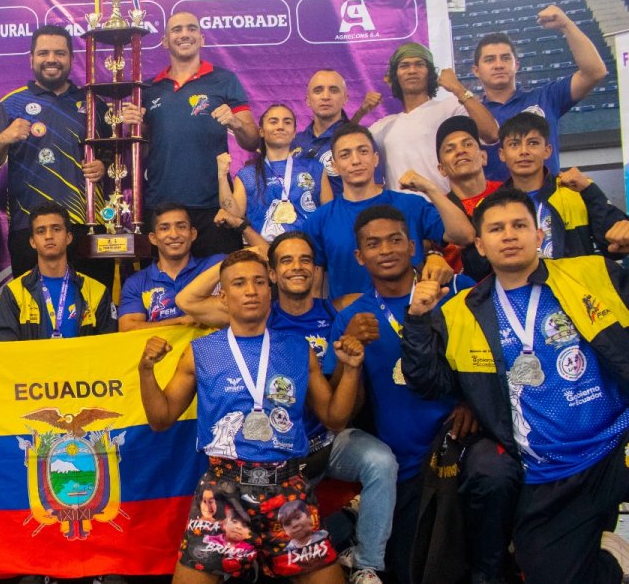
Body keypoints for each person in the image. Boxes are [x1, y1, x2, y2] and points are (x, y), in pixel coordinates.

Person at [402, 188, 629, 584]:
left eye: (519, 225)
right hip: (549, 469)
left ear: (538, 235)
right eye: (496, 228)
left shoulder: (594, 273)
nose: (509, 235)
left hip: (617, 444)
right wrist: (418, 320)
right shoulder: (457, 312)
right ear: (480, 244)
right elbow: (429, 384)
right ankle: (610, 557)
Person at [176, 232, 397, 584]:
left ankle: (366, 564)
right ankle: (342, 523)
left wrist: (353, 356)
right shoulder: (257, 312)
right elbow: (187, 298)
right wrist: (244, 257)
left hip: (317, 449)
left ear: (316, 270)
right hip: (249, 466)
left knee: (380, 460)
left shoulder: (338, 310)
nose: (297, 267)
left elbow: (339, 413)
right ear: (274, 275)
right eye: (286, 261)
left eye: (306, 259)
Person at [138, 249, 365, 583]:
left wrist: (350, 369)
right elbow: (161, 420)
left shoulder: (298, 348)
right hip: (222, 491)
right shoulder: (200, 351)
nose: (251, 290)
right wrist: (146, 370)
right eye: (240, 283)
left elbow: (335, 418)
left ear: (270, 290)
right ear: (224, 297)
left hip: (288, 491)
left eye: (259, 282)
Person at [322, 205, 476, 584]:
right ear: (359, 256)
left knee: (469, 565)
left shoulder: (456, 291)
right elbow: (346, 409)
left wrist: (473, 401)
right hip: (404, 467)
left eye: (394, 240)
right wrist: (351, 351)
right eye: (373, 244)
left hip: (462, 451)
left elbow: (490, 358)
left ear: (412, 247)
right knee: (410, 571)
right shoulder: (352, 317)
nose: (385, 250)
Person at [120, 11, 255, 257]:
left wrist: (235, 122)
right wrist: (133, 128)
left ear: (201, 38)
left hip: (214, 206)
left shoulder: (224, 80)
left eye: (191, 29)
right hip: (162, 204)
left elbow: (252, 141)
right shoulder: (148, 89)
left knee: (220, 284)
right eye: (177, 30)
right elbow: (141, 152)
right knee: (167, 288)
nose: (184, 34)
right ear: (165, 41)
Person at [0, 24, 108, 275]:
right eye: (43, 53)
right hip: (30, 227)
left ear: (71, 58)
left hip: (86, 223)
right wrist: (4, 137)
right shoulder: (11, 103)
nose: (51, 59)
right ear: (31, 59)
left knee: (91, 308)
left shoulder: (94, 103)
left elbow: (115, 158)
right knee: (33, 310)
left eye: (59, 53)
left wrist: (104, 166)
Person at [302, 124, 473, 305]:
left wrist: (430, 188)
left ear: (376, 159)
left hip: (414, 316)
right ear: (334, 166)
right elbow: (314, 279)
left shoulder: (410, 204)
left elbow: (465, 235)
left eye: (363, 151)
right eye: (345, 155)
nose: (356, 160)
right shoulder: (319, 220)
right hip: (352, 324)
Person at [472, 5, 609, 181]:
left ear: (517, 65)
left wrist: (566, 25)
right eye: (490, 60)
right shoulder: (471, 114)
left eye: (506, 58)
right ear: (476, 70)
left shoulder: (546, 97)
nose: (499, 65)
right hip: (499, 205)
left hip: (548, 204)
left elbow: (595, 72)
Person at [496, 112, 629, 260]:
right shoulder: (493, 205)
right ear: (502, 154)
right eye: (514, 145)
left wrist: (590, 191)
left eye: (533, 143)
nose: (524, 151)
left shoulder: (577, 192)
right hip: (520, 283)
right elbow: (481, 267)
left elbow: (616, 247)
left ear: (547, 151)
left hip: (575, 282)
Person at [370, 42, 498, 193]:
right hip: (403, 214)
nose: (412, 70)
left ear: (430, 73)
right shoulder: (383, 126)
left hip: (449, 210)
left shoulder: (451, 108)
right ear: (394, 76)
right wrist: (361, 113)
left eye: (419, 64)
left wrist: (458, 88)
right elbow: (340, 149)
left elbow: (491, 134)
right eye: (404, 66)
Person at [0, 202, 114, 340]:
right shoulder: (14, 293)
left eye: (56, 229)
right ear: (32, 241)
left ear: (69, 237)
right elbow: (4, 353)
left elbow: (109, 350)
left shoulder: (96, 292)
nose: (49, 236)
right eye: (41, 231)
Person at [221, 105, 331, 243]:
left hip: (309, 248)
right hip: (264, 251)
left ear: (294, 132)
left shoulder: (315, 168)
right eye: (273, 121)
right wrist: (222, 177)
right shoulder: (247, 174)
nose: (280, 127)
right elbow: (233, 216)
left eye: (287, 122)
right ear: (261, 131)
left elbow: (330, 216)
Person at [118, 202, 222, 331]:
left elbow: (254, 253)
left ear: (193, 234)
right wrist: (180, 322)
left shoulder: (217, 264)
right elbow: (127, 327)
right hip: (161, 351)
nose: (173, 235)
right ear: (153, 238)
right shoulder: (136, 282)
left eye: (181, 227)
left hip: (213, 350)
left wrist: (240, 224)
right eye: (164, 228)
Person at [292, 70, 381, 196]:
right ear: (308, 100)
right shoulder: (295, 142)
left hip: (346, 214)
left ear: (345, 98)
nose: (325, 97)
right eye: (318, 90)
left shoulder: (361, 140)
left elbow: (375, 189)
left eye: (334, 90)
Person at [434, 115, 501, 277]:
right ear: (441, 169)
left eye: (468, 144)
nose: (460, 151)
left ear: (484, 157)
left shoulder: (508, 194)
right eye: (450, 149)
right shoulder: (437, 211)